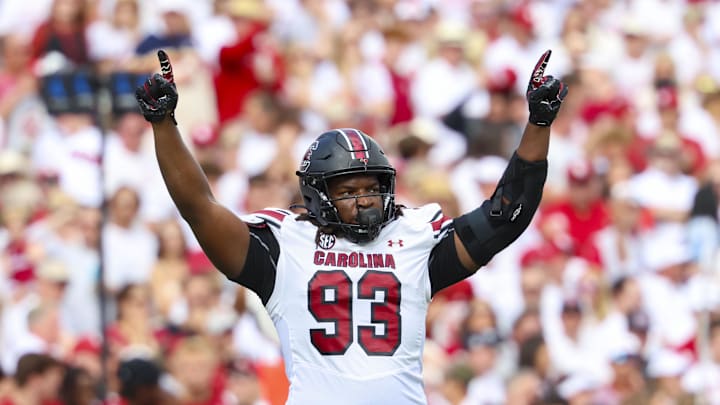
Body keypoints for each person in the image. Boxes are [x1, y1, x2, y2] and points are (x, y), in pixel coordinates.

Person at [134, 49, 567, 404]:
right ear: (318, 195)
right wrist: (163, 124)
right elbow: (199, 207)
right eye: (348, 190)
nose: (364, 199)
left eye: (372, 187)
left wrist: (538, 124)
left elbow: (505, 215)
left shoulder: (414, 238)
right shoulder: (285, 246)